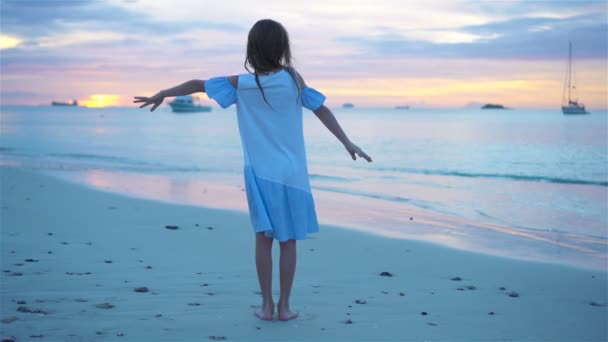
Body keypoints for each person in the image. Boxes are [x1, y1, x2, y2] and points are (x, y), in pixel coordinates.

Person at [134, 19, 372, 322]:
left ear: (253, 49)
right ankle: (285, 307)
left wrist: (163, 93)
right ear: (282, 48)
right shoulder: (293, 78)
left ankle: (267, 307)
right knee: (289, 241)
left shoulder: (243, 84)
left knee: (264, 238)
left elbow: (197, 84)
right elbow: (320, 109)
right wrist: (347, 142)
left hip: (260, 173)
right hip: (292, 173)